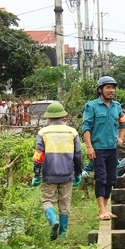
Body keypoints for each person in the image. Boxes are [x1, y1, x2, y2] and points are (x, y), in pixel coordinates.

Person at [31, 102, 83, 240]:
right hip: (67, 174)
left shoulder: (43, 132)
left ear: (49, 117)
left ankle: (53, 220)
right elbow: (77, 155)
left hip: (49, 174)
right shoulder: (72, 132)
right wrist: (78, 173)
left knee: (47, 200)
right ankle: (63, 234)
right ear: (63, 116)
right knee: (65, 203)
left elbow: (39, 154)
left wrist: (36, 174)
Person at [81, 75, 125, 220]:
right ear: (100, 89)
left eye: (113, 88)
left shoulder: (117, 106)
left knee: (111, 178)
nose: (111, 90)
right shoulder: (91, 106)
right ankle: (101, 209)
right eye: (108, 87)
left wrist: (121, 137)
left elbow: (123, 123)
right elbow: (86, 128)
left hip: (112, 148)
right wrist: (89, 147)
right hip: (98, 149)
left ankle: (104, 207)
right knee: (101, 177)